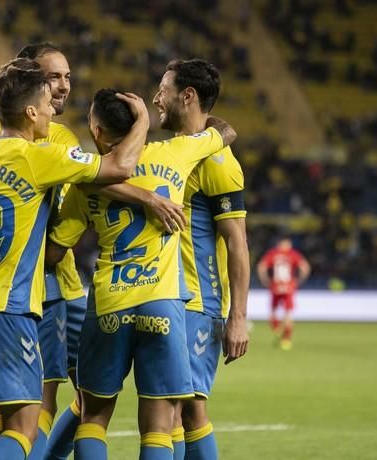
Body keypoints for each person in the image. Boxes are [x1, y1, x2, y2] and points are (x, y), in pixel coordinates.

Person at [0, 42, 183, 460]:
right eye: (51, 83)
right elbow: (113, 169)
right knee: (28, 422)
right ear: (30, 105)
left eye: (67, 78)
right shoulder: (45, 150)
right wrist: (143, 129)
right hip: (18, 301)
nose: (58, 96)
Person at [46, 88, 237, 460]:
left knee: (93, 416)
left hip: (109, 304)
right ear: (139, 125)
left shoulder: (87, 179)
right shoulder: (176, 153)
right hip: (162, 306)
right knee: (159, 425)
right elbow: (226, 132)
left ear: (96, 130)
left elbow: (55, 251)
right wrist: (196, 121)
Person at [154, 59, 251, 460]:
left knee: (184, 411)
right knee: (176, 410)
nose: (156, 97)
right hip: (170, 296)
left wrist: (238, 317)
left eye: (163, 88)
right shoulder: (178, 152)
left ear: (187, 96)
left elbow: (238, 244)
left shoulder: (217, 162)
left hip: (197, 301)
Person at [257, 236, 310, 350]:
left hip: (275, 286)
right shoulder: (293, 254)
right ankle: (286, 339)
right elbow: (305, 267)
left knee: (273, 311)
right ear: (286, 243)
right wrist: (299, 280)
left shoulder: (272, 253)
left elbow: (261, 267)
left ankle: (276, 329)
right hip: (289, 287)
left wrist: (265, 280)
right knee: (288, 313)